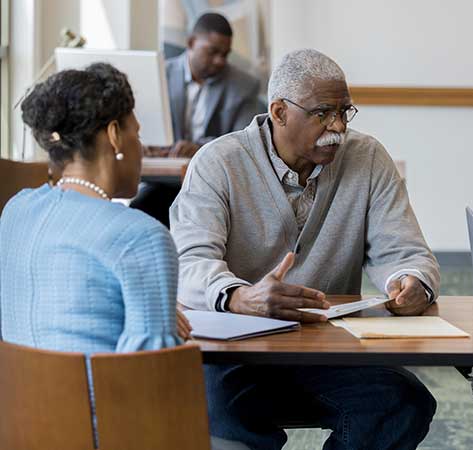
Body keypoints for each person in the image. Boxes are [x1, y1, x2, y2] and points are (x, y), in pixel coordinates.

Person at [170, 49, 439, 450]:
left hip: (325, 349)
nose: (338, 127)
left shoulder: (368, 158)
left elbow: (407, 252)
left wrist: (412, 280)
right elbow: (189, 263)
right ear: (279, 112)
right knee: (213, 412)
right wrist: (240, 297)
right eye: (323, 113)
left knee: (403, 403)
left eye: (344, 112)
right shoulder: (218, 163)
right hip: (234, 353)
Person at [1, 63, 190, 353]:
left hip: (18, 384)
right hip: (101, 385)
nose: (141, 148)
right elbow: (153, 373)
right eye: (137, 134)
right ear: (114, 135)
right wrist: (161, 324)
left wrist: (154, 311)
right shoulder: (142, 236)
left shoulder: (15, 211)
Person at [131, 12, 262, 226]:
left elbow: (245, 142)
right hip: (161, 183)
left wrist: (199, 148)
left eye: (225, 54)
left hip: (212, 184)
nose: (220, 61)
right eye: (213, 52)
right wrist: (149, 145)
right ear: (191, 42)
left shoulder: (243, 86)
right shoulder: (160, 75)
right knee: (138, 214)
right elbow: (142, 129)